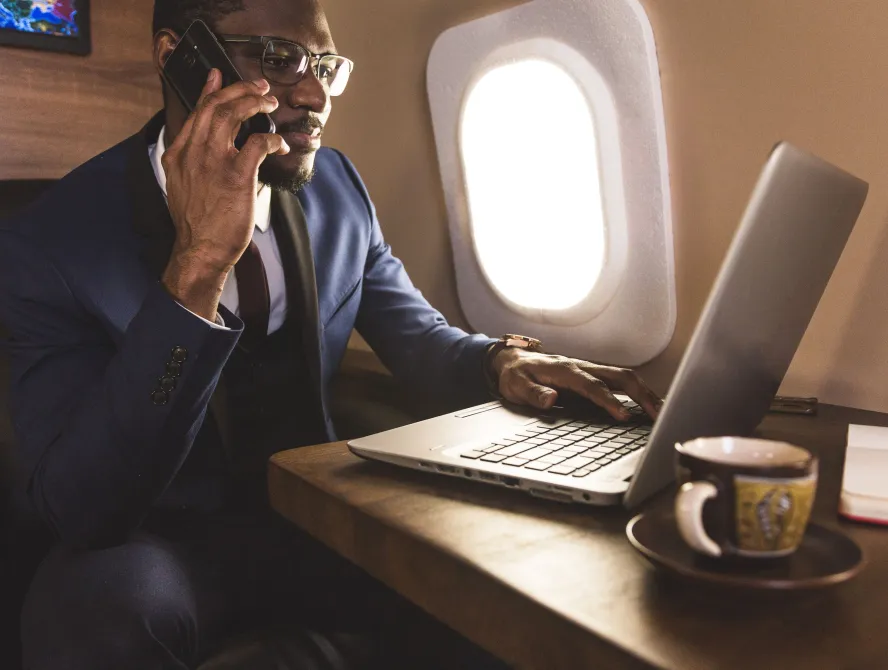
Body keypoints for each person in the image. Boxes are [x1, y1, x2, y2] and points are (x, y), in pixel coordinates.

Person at [0, 0, 662, 667]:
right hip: (166, 540)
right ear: (180, 56)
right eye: (278, 59)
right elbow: (83, 506)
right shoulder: (50, 242)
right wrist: (196, 267)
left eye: (324, 65)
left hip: (321, 514)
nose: (315, 93)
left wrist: (499, 364)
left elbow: (419, 339)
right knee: (84, 609)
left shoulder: (339, 190)